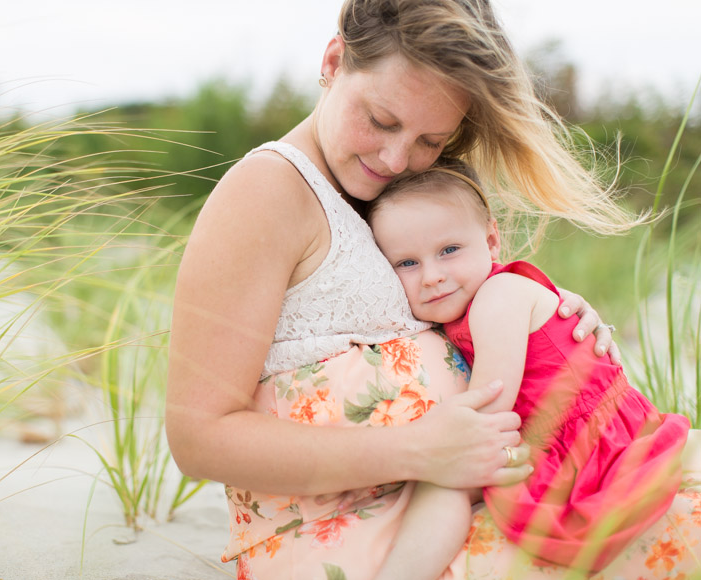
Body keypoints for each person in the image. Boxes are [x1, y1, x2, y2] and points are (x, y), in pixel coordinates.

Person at [165, 0, 701, 578]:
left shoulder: (387, 189)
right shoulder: (267, 191)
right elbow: (198, 435)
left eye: (430, 139)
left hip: (455, 506)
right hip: (356, 537)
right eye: (381, 119)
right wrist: (419, 450)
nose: (397, 158)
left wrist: (555, 315)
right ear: (334, 59)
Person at [367, 159, 694, 579]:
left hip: (589, 445)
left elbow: (489, 411)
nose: (432, 276)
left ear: (491, 241)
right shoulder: (474, 296)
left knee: (444, 482)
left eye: (449, 251)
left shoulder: (498, 296)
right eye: (406, 264)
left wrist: (428, 453)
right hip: (584, 429)